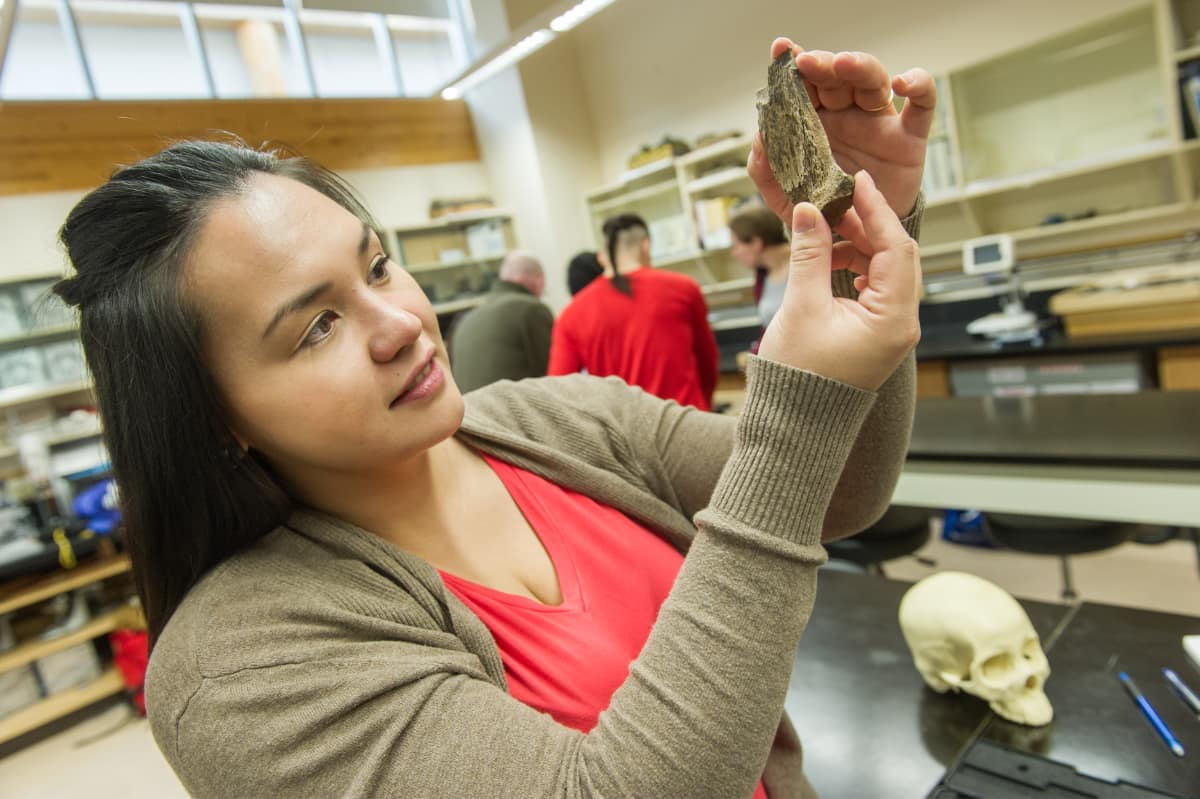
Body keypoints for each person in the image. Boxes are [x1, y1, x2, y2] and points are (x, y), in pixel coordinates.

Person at [54, 38, 933, 798]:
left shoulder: (555, 421)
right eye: (317, 326)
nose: (401, 324)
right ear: (216, 419)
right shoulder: (239, 671)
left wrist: (859, 249)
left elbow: (829, 497)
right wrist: (794, 405)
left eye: (379, 266)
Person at [548, 213, 721, 410]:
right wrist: (703, 411)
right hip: (686, 420)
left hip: (624, 433)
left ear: (602, 256)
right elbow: (707, 362)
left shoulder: (572, 313)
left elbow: (559, 391)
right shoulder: (683, 288)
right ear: (646, 245)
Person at [449, 250, 554, 393]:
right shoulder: (531, 309)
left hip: (469, 411)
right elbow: (554, 375)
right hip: (508, 411)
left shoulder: (466, 319)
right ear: (539, 280)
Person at [731, 204, 791, 351]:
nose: (735, 254)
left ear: (756, 243)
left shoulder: (802, 263)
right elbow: (768, 331)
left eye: (736, 246)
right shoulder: (762, 275)